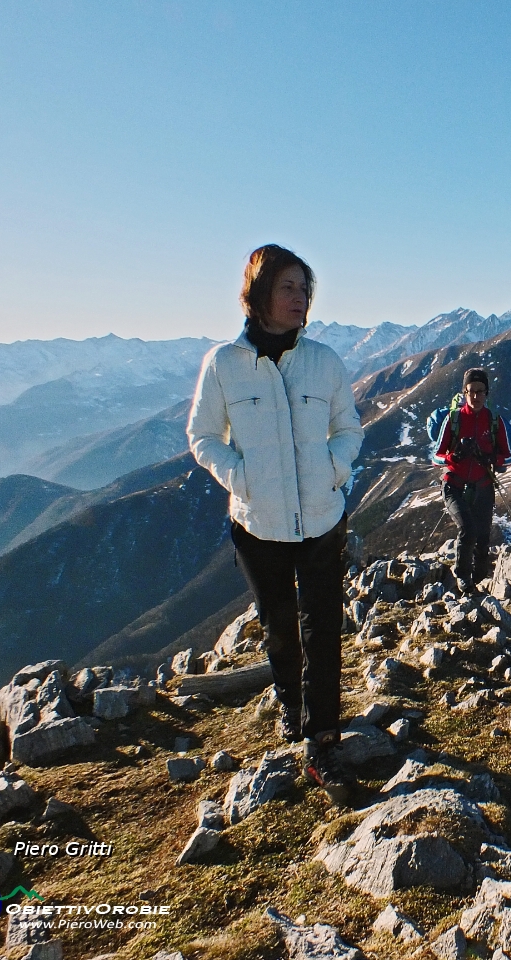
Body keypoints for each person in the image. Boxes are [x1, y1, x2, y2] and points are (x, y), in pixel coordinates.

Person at [187, 244, 364, 798]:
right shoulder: (223, 365)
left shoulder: (324, 362)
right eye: (288, 287)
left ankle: (324, 738)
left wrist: (335, 470)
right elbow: (202, 437)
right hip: (257, 523)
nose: (300, 298)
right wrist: (241, 479)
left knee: (323, 628)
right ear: (259, 294)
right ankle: (291, 705)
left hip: (321, 518)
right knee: (280, 627)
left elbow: (349, 428)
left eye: (305, 288)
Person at [432, 367, 511, 592]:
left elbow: (508, 456)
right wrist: (453, 456)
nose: (476, 397)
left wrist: (489, 457)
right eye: (471, 391)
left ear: (487, 393)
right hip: (454, 485)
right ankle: (463, 579)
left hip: (483, 487)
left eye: (480, 391)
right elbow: (435, 456)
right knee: (468, 529)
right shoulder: (454, 419)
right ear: (464, 393)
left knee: (483, 539)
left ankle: (479, 580)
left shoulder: (494, 421)